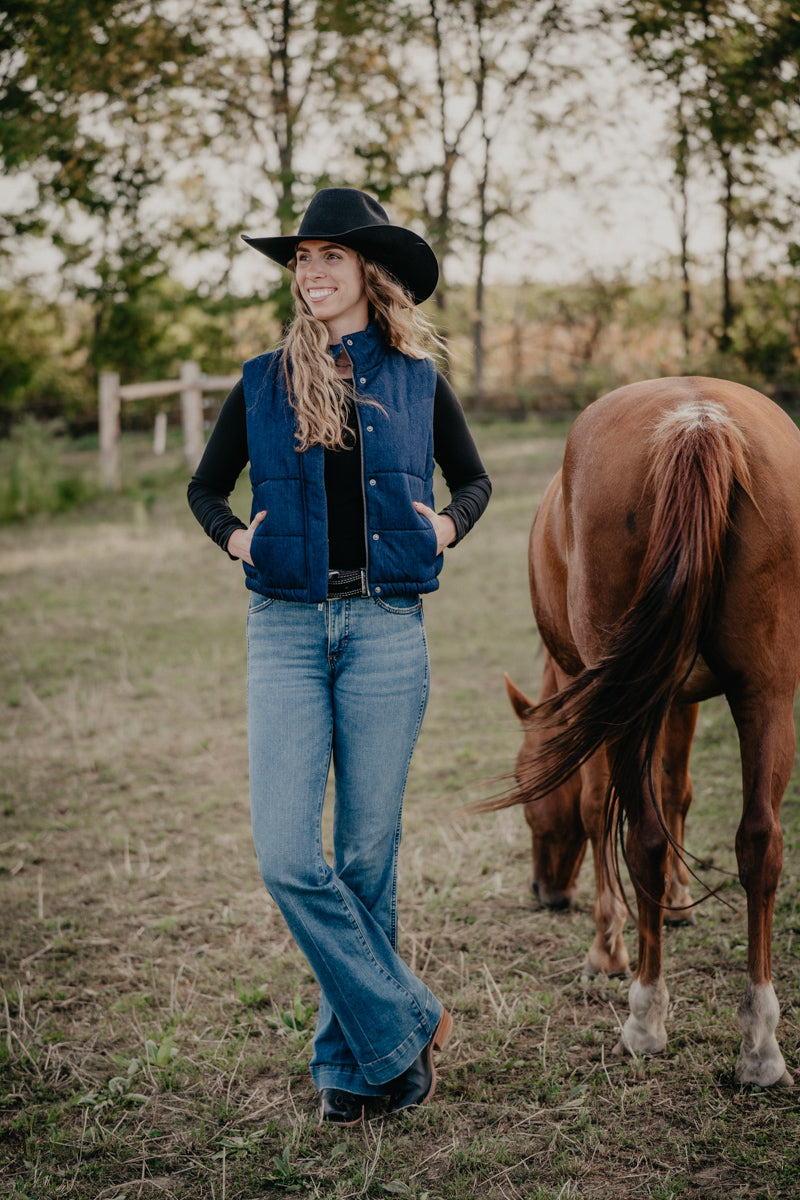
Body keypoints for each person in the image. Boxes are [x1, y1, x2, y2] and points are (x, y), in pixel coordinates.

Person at [188, 187, 491, 1125]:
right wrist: (239, 541)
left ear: (367, 271)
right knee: (288, 856)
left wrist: (446, 525)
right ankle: (413, 1017)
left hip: (387, 630)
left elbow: (474, 478)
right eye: (300, 260)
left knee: (365, 859)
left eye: (328, 257)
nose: (310, 273)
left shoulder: (413, 377)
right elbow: (206, 489)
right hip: (284, 629)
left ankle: (359, 1071)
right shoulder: (260, 380)